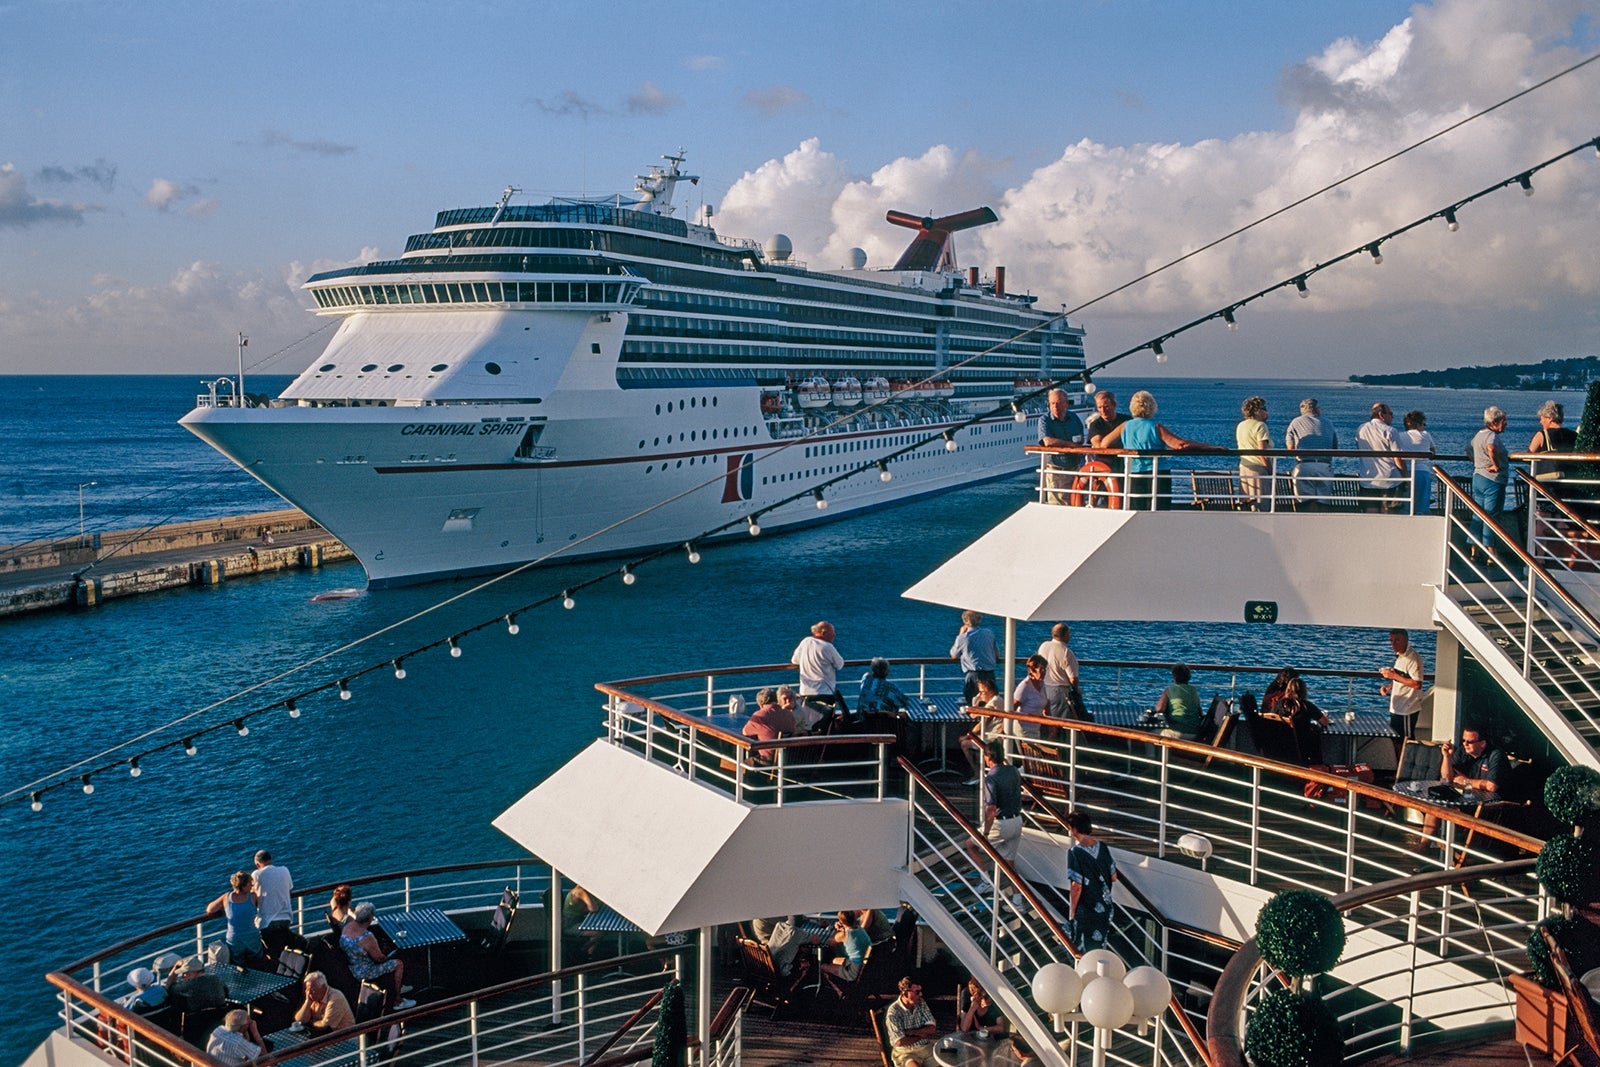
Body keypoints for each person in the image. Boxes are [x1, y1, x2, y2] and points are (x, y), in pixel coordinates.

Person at [1097, 390, 1216, 510]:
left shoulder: (1125, 426)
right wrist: (1209, 447)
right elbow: (1180, 445)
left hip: (1133, 474)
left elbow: (1105, 444)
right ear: (1151, 407)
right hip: (1158, 474)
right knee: (1159, 509)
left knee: (1136, 509)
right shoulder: (1155, 427)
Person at [1419, 726, 1507, 846]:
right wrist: (1447, 757)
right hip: (1469, 803)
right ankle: (1423, 845)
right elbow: (1447, 778)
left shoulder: (1495, 755)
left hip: (1491, 808)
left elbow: (1492, 786)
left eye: (1469, 741)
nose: (1465, 744)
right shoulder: (1463, 752)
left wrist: (1466, 781)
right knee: (1436, 804)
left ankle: (1452, 849)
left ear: (1482, 744)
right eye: (1463, 740)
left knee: (1448, 810)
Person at [341, 902, 412, 1011]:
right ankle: (397, 1000)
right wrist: (390, 954)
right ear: (369, 918)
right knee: (398, 963)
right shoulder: (367, 937)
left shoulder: (348, 926)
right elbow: (379, 959)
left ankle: (398, 985)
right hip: (366, 971)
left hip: (352, 965)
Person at [1064, 810, 1118, 953]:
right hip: (1106, 908)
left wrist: (1072, 912)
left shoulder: (1075, 853)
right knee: (1099, 947)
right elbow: (1114, 877)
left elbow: (1077, 886)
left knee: (1082, 948)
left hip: (1086, 909)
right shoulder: (1103, 847)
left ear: (1074, 829)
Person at [971, 741, 1023, 870]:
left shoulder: (991, 778)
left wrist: (986, 833)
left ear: (988, 757)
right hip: (1017, 821)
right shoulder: (1014, 771)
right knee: (1009, 863)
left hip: (1001, 824)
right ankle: (1017, 891)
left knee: (971, 845)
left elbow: (991, 809)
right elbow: (1009, 768)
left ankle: (985, 881)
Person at [790, 620, 849, 729]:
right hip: (825, 693)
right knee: (825, 725)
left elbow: (794, 660)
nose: (834, 635)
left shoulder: (805, 642)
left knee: (808, 724)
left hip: (806, 692)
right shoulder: (828, 647)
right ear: (823, 633)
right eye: (832, 632)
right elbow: (840, 664)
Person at [1284, 398, 1337, 508]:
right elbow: (1334, 447)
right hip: (1324, 466)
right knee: (1324, 502)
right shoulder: (1328, 423)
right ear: (1316, 409)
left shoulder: (1295, 422)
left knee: (1307, 502)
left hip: (1305, 465)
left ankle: (1309, 522)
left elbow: (1290, 448)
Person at [1379, 629, 1426, 751]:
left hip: (1407, 709)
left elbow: (1417, 684)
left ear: (1406, 640)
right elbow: (1402, 678)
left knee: (1407, 744)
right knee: (1397, 741)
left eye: (1397, 640)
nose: (1393, 644)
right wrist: (1389, 687)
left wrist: (1393, 676)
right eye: (1391, 640)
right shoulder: (1400, 656)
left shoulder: (1412, 658)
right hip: (1397, 708)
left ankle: (1406, 769)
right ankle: (1400, 768)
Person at [1471, 406, 1510, 547]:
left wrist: (1478, 462)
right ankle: (1490, 551)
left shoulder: (1478, 435)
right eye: (1503, 421)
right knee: (1491, 516)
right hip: (1492, 480)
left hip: (1478, 476)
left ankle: (1473, 549)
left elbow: (1468, 449)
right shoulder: (1492, 436)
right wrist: (1496, 465)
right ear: (1495, 422)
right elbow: (1491, 448)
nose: (1506, 423)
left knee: (1478, 515)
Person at [207, 870, 264, 967]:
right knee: (257, 963)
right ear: (243, 885)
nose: (252, 885)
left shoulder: (226, 897)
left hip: (234, 939)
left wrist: (224, 908)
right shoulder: (253, 897)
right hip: (251, 937)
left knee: (238, 966)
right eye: (250, 883)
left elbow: (210, 909)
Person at [1039, 387, 1084, 503]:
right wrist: (1071, 445)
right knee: (1058, 504)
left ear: (1066, 403)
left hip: (1075, 468)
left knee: (1077, 502)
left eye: (1059, 403)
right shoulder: (1045, 420)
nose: (1055, 407)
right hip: (1057, 470)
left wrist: (1078, 444)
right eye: (1052, 403)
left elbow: (1080, 437)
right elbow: (1047, 442)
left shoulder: (1074, 418)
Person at [1355, 403, 1404, 511]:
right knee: (1389, 512)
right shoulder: (1390, 431)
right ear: (1381, 415)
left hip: (1368, 479)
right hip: (1389, 480)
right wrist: (1405, 477)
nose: (1392, 417)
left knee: (1370, 513)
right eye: (1391, 414)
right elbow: (1398, 457)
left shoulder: (1360, 429)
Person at [884, 977, 939, 1066]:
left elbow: (932, 1028)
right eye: (917, 992)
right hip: (906, 1053)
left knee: (948, 1062)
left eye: (920, 991)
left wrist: (913, 1032)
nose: (921, 994)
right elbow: (900, 1041)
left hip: (925, 1048)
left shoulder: (921, 1003)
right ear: (905, 994)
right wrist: (921, 1036)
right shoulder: (894, 1012)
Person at [959, 676, 1005, 782]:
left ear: (990, 691)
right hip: (991, 734)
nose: (980, 694)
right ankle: (981, 770)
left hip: (993, 738)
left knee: (964, 743)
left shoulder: (994, 703)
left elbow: (982, 723)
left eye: (982, 692)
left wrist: (968, 735)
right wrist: (976, 701)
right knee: (970, 740)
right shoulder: (996, 700)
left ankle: (977, 773)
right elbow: (974, 715)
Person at [950, 610, 999, 706]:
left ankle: (976, 720)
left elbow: (954, 655)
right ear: (979, 620)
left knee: (974, 704)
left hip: (974, 676)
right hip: (990, 674)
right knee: (991, 705)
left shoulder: (963, 638)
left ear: (965, 621)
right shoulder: (989, 633)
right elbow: (996, 654)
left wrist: (960, 634)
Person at [252, 849, 294, 958]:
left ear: (257, 864)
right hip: (286, 918)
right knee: (285, 951)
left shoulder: (256, 874)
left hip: (267, 922)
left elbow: (253, 897)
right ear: (271, 860)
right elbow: (289, 891)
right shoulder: (285, 870)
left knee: (272, 954)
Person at [1037, 623, 1081, 721]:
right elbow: (1073, 678)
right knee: (1059, 720)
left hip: (1043, 687)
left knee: (1046, 716)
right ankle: (1057, 736)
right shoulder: (1066, 652)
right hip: (1059, 690)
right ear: (1065, 635)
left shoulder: (1044, 646)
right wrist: (1076, 689)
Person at [819, 911, 871, 993]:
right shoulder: (860, 929)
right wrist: (843, 928)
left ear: (841, 921)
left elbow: (830, 942)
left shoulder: (844, 934)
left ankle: (838, 991)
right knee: (834, 960)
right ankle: (841, 982)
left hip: (853, 971)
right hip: (864, 966)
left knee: (822, 967)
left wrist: (834, 929)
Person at [1235, 396, 1272, 508]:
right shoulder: (1260, 426)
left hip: (1244, 469)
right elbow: (1262, 452)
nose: (1267, 411)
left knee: (1246, 504)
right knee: (1261, 504)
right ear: (1257, 411)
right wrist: (1270, 470)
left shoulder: (1241, 425)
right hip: (1258, 470)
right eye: (1264, 408)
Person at [1529, 399, 1577, 484]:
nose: (1540, 422)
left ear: (1550, 418)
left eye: (1542, 418)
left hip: (1547, 480)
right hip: (1569, 479)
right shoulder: (1574, 435)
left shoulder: (1542, 435)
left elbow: (1528, 457)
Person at [1398, 411, 1437, 515]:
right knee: (1422, 503)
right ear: (1419, 424)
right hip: (1422, 471)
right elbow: (1433, 451)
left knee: (1406, 502)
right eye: (1423, 424)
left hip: (1405, 471)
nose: (1424, 427)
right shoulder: (1425, 435)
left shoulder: (1399, 436)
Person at [742, 686, 796, 759]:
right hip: (787, 758)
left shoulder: (759, 716)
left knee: (741, 762)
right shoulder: (788, 714)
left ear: (761, 704)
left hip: (769, 761)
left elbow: (745, 732)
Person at [1153, 663, 1202, 740]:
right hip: (1194, 732)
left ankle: (1152, 752)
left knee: (1151, 733)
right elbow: (1199, 712)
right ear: (1188, 677)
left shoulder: (1169, 690)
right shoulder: (1194, 690)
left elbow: (1159, 709)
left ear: (1174, 677)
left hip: (1178, 732)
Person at [1011, 655, 1049, 739]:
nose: (1044, 671)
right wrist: (1004, 728)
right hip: (1023, 728)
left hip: (1036, 728)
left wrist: (1052, 726)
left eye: (1045, 669)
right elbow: (1013, 707)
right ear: (1032, 670)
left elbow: (1046, 704)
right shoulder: (1024, 686)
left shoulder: (1041, 684)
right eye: (1041, 669)